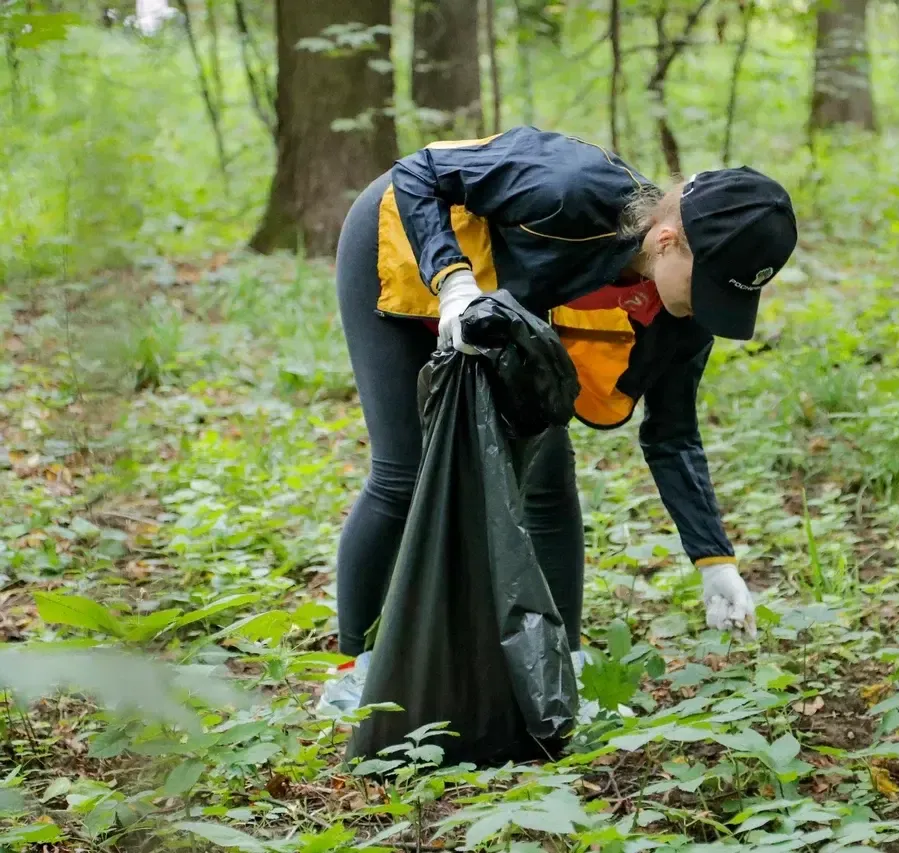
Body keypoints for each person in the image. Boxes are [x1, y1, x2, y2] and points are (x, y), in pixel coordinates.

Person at [325, 127, 797, 705]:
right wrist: (454, 285)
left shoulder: (683, 312)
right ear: (669, 240)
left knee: (549, 472)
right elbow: (420, 172)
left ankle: (561, 662)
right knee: (403, 470)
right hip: (402, 240)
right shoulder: (567, 189)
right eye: (711, 288)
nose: (711, 309)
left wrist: (713, 559)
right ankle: (354, 669)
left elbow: (671, 435)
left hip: (501, 304)